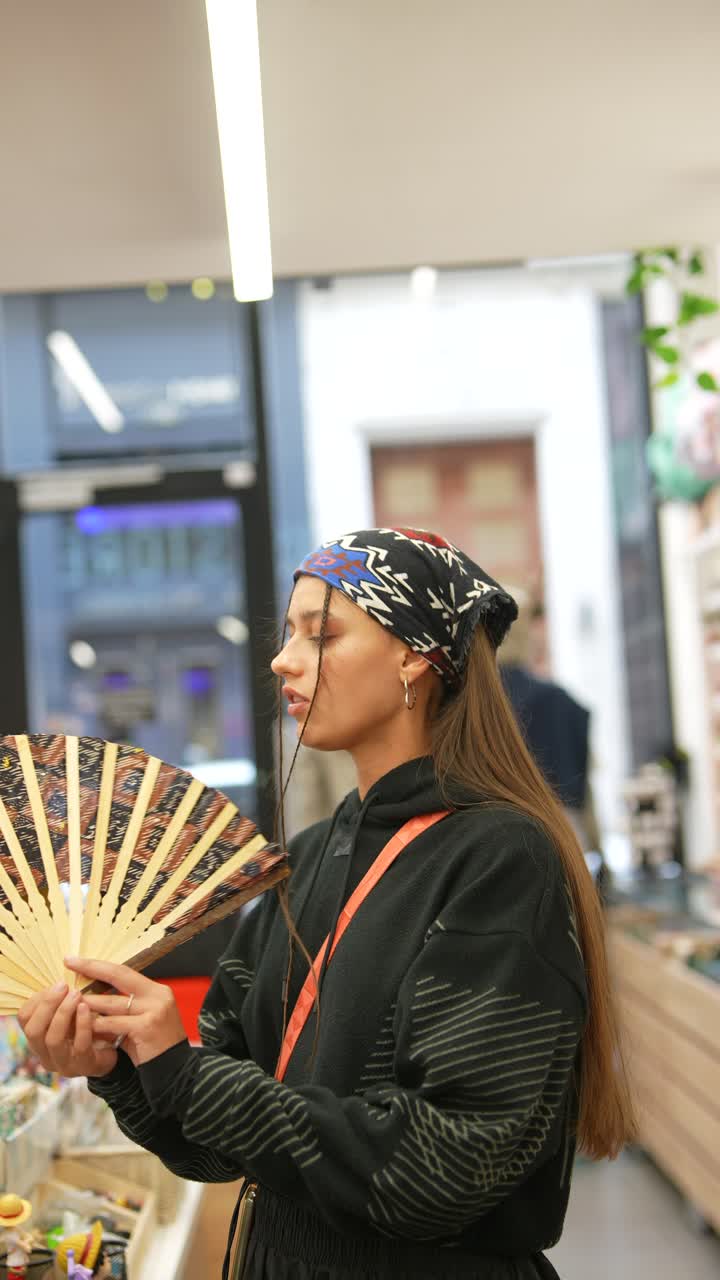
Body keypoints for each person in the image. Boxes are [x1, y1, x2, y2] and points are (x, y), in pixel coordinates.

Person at [19, 528, 635, 1280]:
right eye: (289, 635)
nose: (283, 659)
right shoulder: (309, 856)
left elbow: (442, 1168)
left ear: (415, 656)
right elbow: (216, 1144)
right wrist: (122, 1064)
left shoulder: (500, 859)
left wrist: (186, 1077)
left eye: (323, 635)